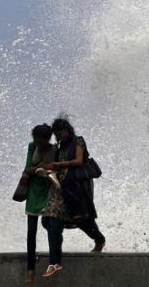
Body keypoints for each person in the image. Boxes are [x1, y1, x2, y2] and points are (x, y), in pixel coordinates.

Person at [40, 117, 106, 278]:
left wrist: (58, 165)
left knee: (81, 219)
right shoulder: (59, 146)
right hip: (58, 187)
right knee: (49, 219)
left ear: (67, 130)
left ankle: (99, 239)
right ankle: (55, 262)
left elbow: (78, 161)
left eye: (60, 133)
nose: (58, 137)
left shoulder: (78, 141)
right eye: (56, 134)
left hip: (75, 188)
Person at [23, 124, 58, 284]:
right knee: (31, 233)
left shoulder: (54, 149)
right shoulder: (32, 146)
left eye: (40, 139)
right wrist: (37, 168)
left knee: (51, 228)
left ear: (47, 139)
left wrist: (48, 170)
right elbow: (27, 168)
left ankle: (54, 262)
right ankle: (30, 270)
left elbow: (56, 171)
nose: (37, 141)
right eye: (35, 138)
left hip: (48, 193)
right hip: (33, 193)